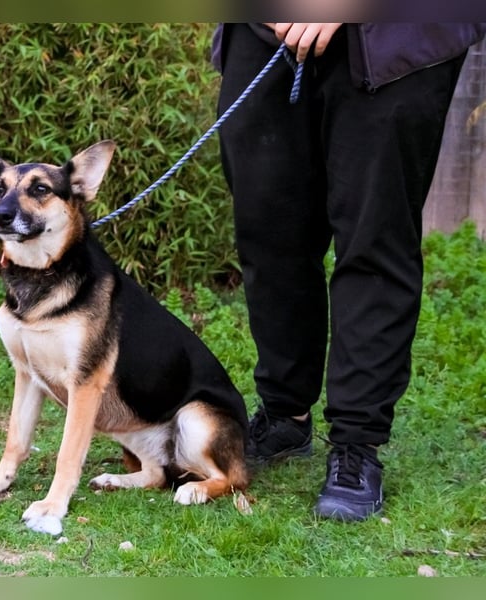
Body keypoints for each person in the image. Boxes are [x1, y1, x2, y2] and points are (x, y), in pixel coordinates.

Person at [211, 23, 486, 521]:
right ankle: (284, 412)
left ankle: (356, 443)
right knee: (269, 229)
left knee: (373, 240)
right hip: (267, 30)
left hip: (395, 36)